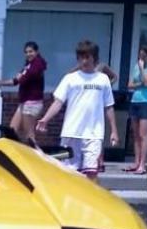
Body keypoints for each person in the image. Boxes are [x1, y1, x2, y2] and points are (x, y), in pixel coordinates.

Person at [36, 40, 119, 182]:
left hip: (94, 134)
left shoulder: (103, 79)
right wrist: (45, 119)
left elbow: (109, 106)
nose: (84, 61)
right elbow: (58, 102)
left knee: (91, 174)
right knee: (69, 174)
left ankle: (90, 201)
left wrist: (114, 130)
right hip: (71, 132)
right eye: (81, 57)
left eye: (88, 57)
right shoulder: (70, 78)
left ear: (94, 58)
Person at [71, 61, 119, 172]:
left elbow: (115, 77)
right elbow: (69, 74)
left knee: (97, 133)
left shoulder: (102, 66)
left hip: (98, 101)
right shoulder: (82, 66)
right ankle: (87, 160)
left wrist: (108, 85)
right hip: (85, 102)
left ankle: (100, 161)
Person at [0, 41, 47, 142]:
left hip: (32, 103)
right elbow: (17, 80)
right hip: (24, 103)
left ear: (36, 52)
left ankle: (35, 155)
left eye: (31, 51)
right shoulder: (28, 65)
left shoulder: (37, 65)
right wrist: (1, 82)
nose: (28, 54)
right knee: (12, 130)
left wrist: (20, 77)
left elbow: (22, 79)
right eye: (26, 52)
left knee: (29, 135)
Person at [126, 43, 147, 174]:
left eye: (142, 53)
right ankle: (136, 162)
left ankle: (142, 164)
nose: (140, 55)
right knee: (135, 135)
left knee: (143, 134)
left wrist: (141, 69)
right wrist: (139, 83)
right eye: (140, 53)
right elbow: (129, 85)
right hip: (135, 100)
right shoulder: (135, 66)